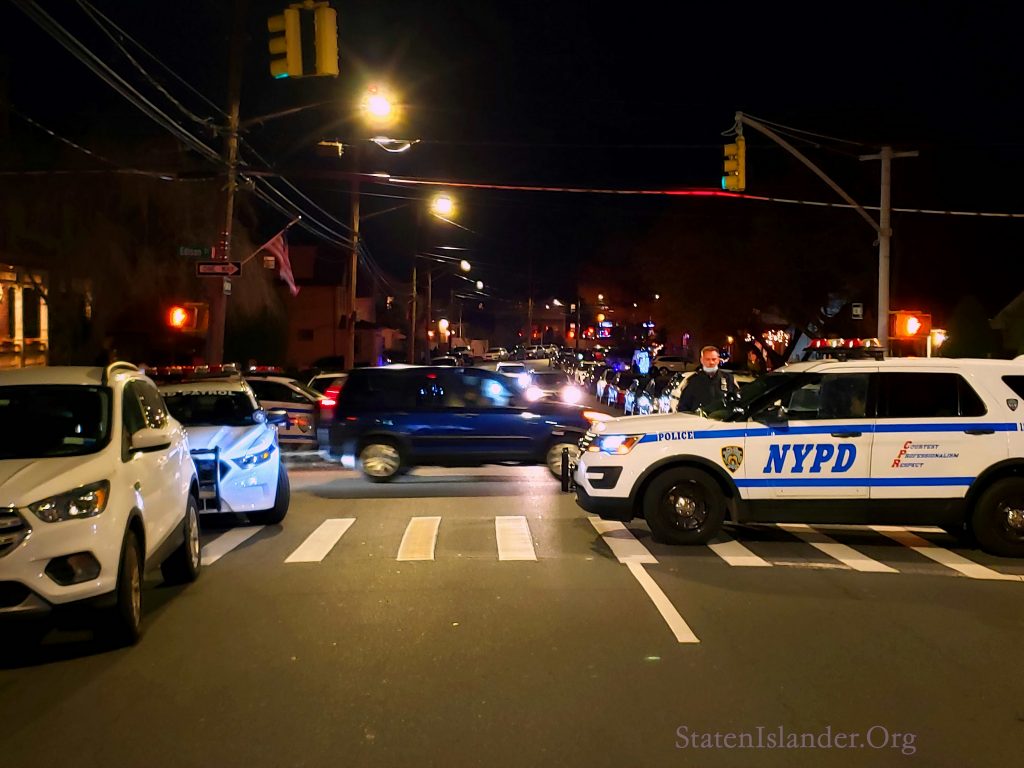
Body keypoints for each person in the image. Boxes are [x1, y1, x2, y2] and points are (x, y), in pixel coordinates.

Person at [677, 345, 738, 414]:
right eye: (707, 359)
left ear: (718, 360)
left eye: (714, 359)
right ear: (701, 360)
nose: (711, 362)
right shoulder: (692, 381)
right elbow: (683, 408)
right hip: (699, 420)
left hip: (722, 420)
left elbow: (737, 402)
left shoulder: (729, 379)